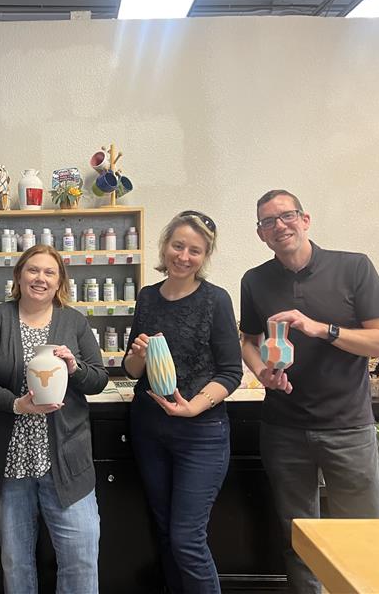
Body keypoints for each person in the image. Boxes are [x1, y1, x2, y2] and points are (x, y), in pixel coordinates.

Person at [239, 190, 379, 594]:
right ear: (260, 234)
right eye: (267, 222)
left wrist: (320, 328)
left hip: (347, 427)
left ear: (305, 219)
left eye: (286, 216)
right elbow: (248, 340)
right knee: (300, 540)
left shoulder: (354, 268)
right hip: (283, 429)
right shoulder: (255, 280)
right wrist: (262, 372)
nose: (279, 226)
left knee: (362, 538)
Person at [0, 244, 108, 594]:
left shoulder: (73, 321)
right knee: (16, 563)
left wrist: (75, 367)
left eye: (49, 272)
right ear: (18, 276)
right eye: (33, 270)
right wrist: (15, 404)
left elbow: (99, 380)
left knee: (81, 556)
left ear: (60, 282)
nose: (40, 278)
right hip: (9, 464)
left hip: (64, 462)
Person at [122, 211, 242, 594]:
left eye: (195, 250)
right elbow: (132, 369)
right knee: (163, 530)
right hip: (149, 429)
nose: (184, 256)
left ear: (205, 256)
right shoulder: (147, 297)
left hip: (200, 434)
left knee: (186, 539)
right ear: (164, 246)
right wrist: (138, 354)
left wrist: (194, 406)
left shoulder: (215, 300)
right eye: (178, 246)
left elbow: (230, 372)